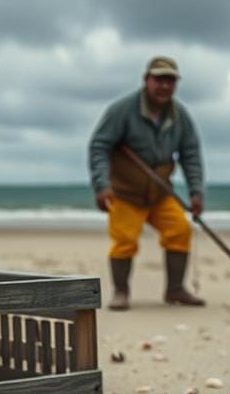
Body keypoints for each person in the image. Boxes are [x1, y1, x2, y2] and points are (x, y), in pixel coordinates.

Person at [88, 56, 206, 311]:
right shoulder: (122, 110)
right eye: (159, 79)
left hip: (160, 193)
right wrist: (101, 185)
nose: (164, 86)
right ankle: (121, 292)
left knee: (180, 231)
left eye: (170, 81)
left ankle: (175, 290)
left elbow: (191, 154)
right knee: (125, 240)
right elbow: (99, 146)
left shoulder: (180, 115)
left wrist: (196, 192)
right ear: (146, 80)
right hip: (125, 193)